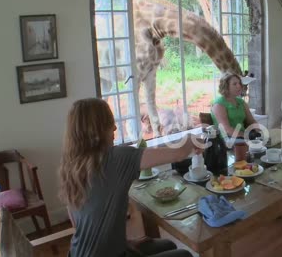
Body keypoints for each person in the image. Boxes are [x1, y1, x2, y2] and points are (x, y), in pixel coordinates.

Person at [59, 98, 200, 257]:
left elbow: (80, 223)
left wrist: (124, 243)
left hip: (77, 253)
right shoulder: (117, 157)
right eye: (109, 123)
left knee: (167, 244)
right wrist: (191, 139)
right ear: (97, 130)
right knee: (184, 255)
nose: (114, 127)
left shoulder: (72, 165)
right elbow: (178, 154)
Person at [211, 72, 259, 139]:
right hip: (227, 140)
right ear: (226, 86)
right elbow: (226, 130)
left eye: (239, 83)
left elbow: (251, 121)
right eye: (234, 84)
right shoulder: (219, 104)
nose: (239, 86)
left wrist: (259, 131)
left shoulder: (241, 102)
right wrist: (246, 136)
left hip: (242, 137)